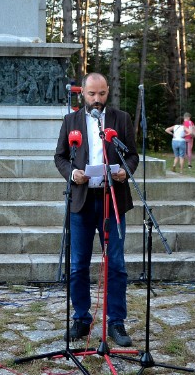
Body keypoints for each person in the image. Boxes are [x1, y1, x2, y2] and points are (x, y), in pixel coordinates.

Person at [54, 72, 138, 347]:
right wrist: (73, 173)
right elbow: (60, 156)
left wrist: (125, 171)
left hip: (112, 199)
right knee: (78, 265)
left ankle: (116, 322)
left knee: (116, 264)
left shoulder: (121, 118)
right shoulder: (71, 121)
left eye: (102, 94)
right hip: (81, 200)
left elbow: (132, 155)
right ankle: (81, 318)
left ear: (107, 92)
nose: (97, 100)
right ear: (83, 94)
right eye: (92, 94)